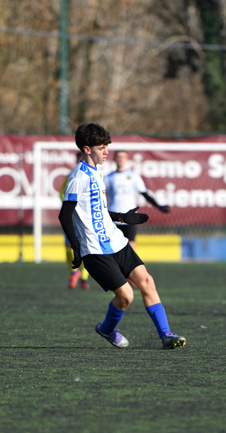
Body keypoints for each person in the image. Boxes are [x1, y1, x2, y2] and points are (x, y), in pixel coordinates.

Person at [58, 123, 185, 349]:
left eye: (107, 146)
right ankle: (106, 329)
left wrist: (122, 218)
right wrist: (76, 247)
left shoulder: (96, 172)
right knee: (126, 296)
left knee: (147, 282)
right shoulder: (77, 177)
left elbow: (98, 211)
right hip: (95, 250)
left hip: (116, 241)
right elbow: (65, 214)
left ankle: (166, 335)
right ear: (87, 149)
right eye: (101, 147)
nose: (107, 152)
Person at [104, 150, 169, 248]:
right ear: (114, 159)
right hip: (113, 217)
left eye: (123, 157)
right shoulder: (108, 178)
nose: (120, 159)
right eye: (118, 157)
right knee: (113, 246)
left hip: (129, 216)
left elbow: (144, 193)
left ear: (127, 159)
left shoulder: (133, 176)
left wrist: (158, 206)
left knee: (131, 245)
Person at [60, 151, 90, 289]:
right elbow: (62, 194)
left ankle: (84, 278)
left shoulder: (93, 176)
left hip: (87, 218)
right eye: (80, 160)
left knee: (87, 247)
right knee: (69, 246)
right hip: (73, 217)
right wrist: (71, 205)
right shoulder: (72, 176)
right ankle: (74, 271)